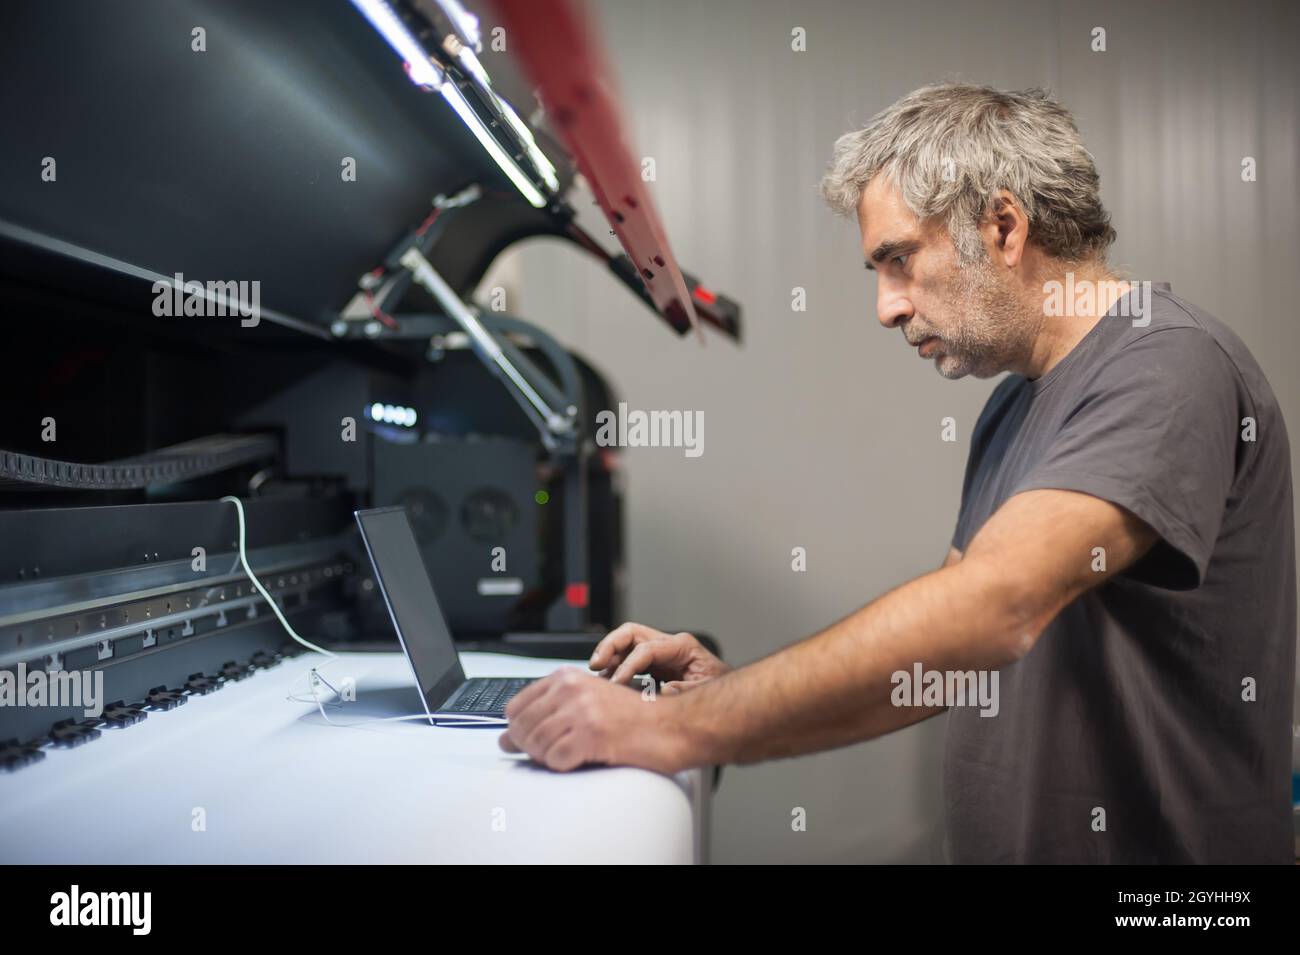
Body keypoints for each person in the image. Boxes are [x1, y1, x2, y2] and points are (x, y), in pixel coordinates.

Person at [498, 84, 1296, 864]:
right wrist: (725, 691)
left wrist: (661, 730)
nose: (887, 306)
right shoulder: (1015, 403)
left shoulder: (1168, 364)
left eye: (901, 260)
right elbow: (945, 655)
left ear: (1006, 227)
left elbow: (991, 608)